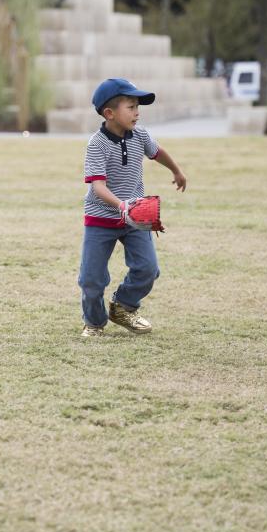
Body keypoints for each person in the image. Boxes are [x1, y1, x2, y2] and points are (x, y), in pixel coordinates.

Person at [78, 78, 187, 337]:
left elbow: (157, 151)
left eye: (138, 106)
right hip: (101, 218)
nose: (137, 112)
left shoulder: (140, 135)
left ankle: (123, 307)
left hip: (135, 217)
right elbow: (98, 187)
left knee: (148, 269)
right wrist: (121, 205)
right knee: (91, 280)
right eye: (131, 106)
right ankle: (94, 322)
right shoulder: (97, 143)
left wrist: (176, 170)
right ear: (109, 113)